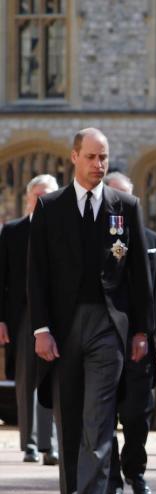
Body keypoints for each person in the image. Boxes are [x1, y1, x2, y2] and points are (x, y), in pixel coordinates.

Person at [28, 128, 153, 494]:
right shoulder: (49, 207)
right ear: (75, 158)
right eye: (93, 157)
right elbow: (37, 275)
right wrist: (42, 329)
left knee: (99, 420)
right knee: (70, 417)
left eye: (105, 157)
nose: (100, 165)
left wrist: (140, 330)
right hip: (63, 328)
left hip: (107, 324)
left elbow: (139, 274)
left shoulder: (126, 205)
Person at [102, 172, 156, 494]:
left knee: (138, 415)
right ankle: (112, 483)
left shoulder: (152, 239)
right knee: (104, 415)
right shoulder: (96, 241)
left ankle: (135, 471)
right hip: (107, 340)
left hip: (140, 343)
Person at [0, 175, 60, 466]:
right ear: (27, 199)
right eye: (37, 195)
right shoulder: (12, 232)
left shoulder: (65, 230)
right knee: (27, 381)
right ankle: (31, 444)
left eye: (47, 195)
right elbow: (2, 280)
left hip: (59, 314)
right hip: (24, 315)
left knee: (57, 379)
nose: (41, 200)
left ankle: (54, 445)